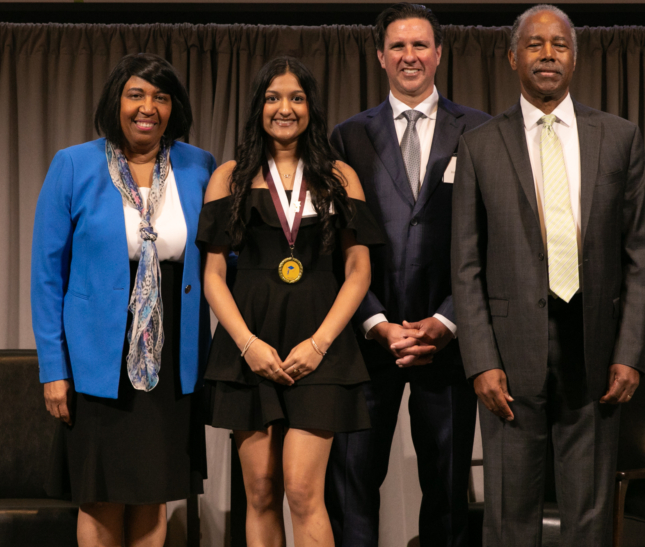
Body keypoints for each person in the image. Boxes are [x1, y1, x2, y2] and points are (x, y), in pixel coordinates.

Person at [452, 4, 645, 546]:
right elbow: (465, 265)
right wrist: (481, 361)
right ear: (512, 57)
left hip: (595, 354)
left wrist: (629, 352)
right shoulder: (479, 145)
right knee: (509, 520)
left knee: (589, 519)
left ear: (575, 58)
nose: (548, 55)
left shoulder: (619, 137)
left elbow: (640, 252)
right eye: (535, 44)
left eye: (559, 45)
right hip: (508, 360)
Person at [31, 53, 216, 547]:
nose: (147, 107)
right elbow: (47, 276)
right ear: (117, 101)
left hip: (171, 357)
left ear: (174, 108)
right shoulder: (74, 164)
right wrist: (54, 369)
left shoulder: (199, 166)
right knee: (100, 496)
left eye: (160, 97)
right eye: (136, 95)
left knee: (153, 494)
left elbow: (223, 257)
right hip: (97, 360)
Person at [197, 56, 383, 547]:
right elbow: (213, 276)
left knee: (302, 491)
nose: (285, 108)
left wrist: (320, 344)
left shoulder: (340, 176)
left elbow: (359, 271)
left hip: (321, 350)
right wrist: (247, 345)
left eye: (296, 98)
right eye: (273, 98)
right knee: (260, 491)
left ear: (311, 107)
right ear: (258, 107)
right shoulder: (229, 177)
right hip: (249, 350)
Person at [326, 3, 490, 547]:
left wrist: (447, 319)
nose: (409, 55)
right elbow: (335, 246)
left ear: (439, 53)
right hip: (365, 343)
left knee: (446, 492)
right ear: (380, 56)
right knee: (351, 488)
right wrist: (376, 322)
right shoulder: (348, 137)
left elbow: (493, 240)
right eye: (397, 45)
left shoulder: (482, 131)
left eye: (420, 44)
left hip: (448, 343)